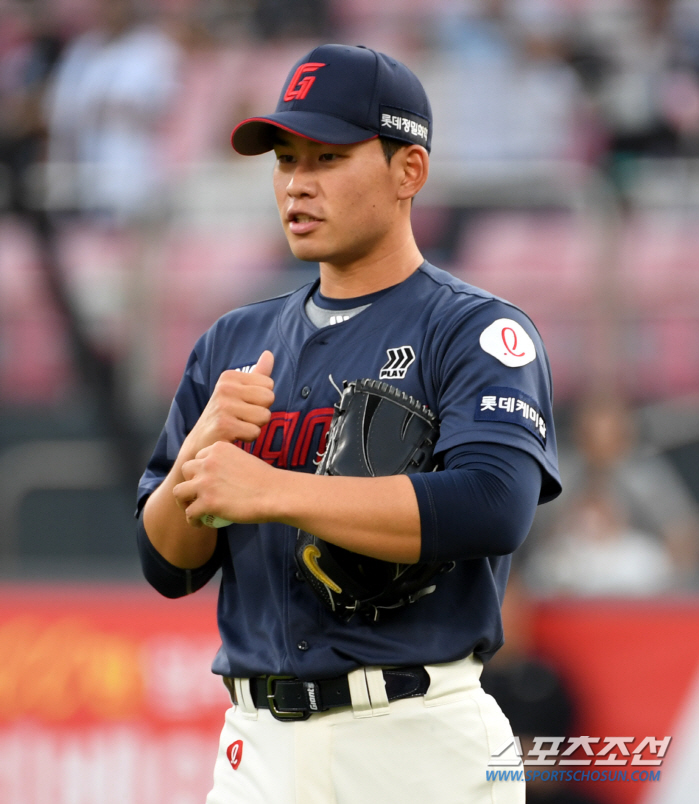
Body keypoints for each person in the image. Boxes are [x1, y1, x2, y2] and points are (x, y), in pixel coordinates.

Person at [136, 44, 562, 804]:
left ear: (409, 172)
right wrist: (196, 462)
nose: (297, 183)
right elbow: (168, 564)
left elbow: (493, 507)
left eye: (328, 157)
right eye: (286, 159)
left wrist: (270, 489)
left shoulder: (475, 331)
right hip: (255, 747)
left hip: (418, 738)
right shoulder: (233, 342)